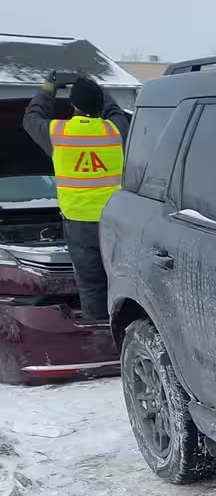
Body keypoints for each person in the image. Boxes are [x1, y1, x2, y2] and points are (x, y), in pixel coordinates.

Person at [23, 72, 130, 322]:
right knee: (120, 278)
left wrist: (47, 89)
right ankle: (123, 329)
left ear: (74, 105)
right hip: (116, 221)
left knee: (91, 282)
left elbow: (31, 119)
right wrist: (96, 87)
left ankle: (99, 332)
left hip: (79, 223)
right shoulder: (116, 130)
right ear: (98, 103)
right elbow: (113, 109)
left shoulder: (58, 133)